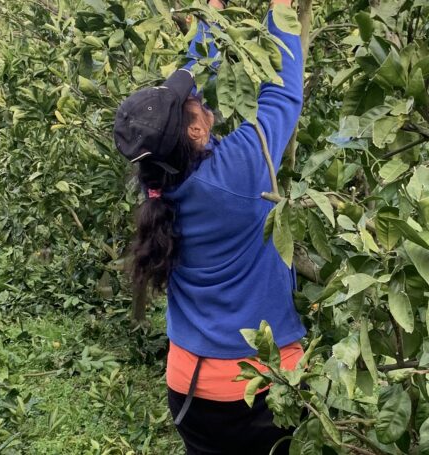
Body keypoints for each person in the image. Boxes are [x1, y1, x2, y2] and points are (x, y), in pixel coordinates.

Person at [113, 0, 305, 453]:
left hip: (188, 387)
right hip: (257, 389)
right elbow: (282, 96)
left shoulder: (157, 179)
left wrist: (211, 19)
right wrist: (282, 11)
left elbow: (189, 83)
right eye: (193, 105)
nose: (197, 98)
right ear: (196, 131)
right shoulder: (238, 173)